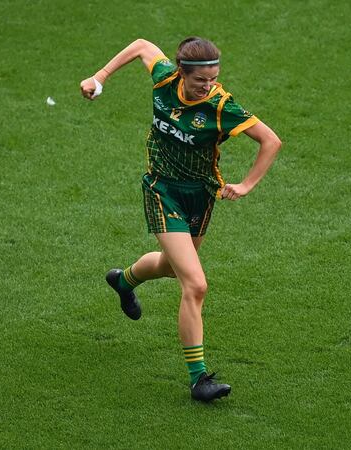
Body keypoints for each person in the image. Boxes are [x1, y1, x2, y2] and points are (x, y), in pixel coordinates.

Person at [80, 37, 282, 402]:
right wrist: (100, 77)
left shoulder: (222, 106)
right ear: (182, 73)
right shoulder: (164, 79)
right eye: (202, 80)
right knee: (196, 284)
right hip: (161, 190)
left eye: (214, 78)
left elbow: (270, 141)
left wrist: (248, 185)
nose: (210, 85)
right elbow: (142, 45)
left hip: (200, 195)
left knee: (172, 267)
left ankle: (124, 281)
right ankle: (198, 379)